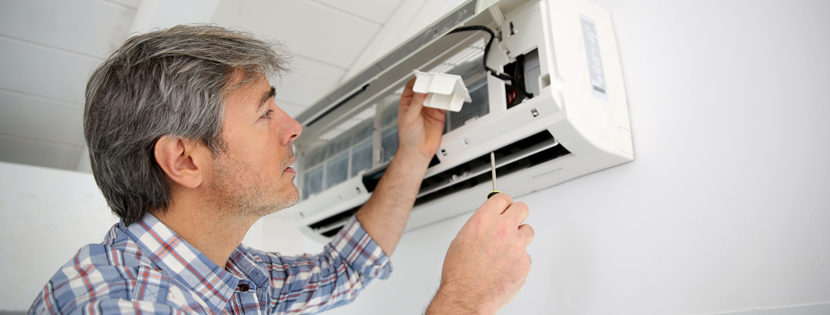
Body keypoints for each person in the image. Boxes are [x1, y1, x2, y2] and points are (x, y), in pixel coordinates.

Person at [28, 25, 534, 315]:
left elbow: (343, 270)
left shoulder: (232, 276)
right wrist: (465, 299)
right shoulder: (125, 303)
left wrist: (413, 152)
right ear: (184, 160)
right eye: (264, 112)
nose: (292, 127)